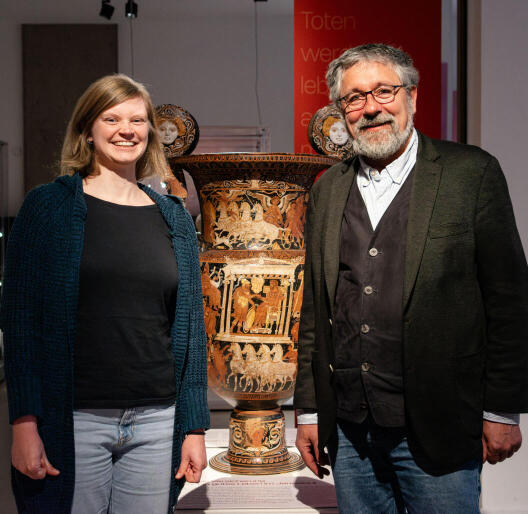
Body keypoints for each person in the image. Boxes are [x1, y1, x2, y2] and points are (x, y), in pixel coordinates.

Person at [293, 43, 528, 513]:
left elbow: (509, 299)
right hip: (351, 432)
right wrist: (310, 411)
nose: (371, 108)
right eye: (354, 98)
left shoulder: (471, 173)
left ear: (413, 97)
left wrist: (502, 409)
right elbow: (317, 311)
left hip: (441, 424)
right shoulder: (327, 190)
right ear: (341, 111)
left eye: (384, 91)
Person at [0, 74, 210, 513]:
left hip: (156, 419)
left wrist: (194, 427)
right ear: (87, 130)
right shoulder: (48, 208)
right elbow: (20, 323)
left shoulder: (173, 218)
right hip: (74, 419)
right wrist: (23, 421)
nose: (126, 130)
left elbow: (191, 330)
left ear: (151, 132)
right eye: (111, 118)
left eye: (137, 119)